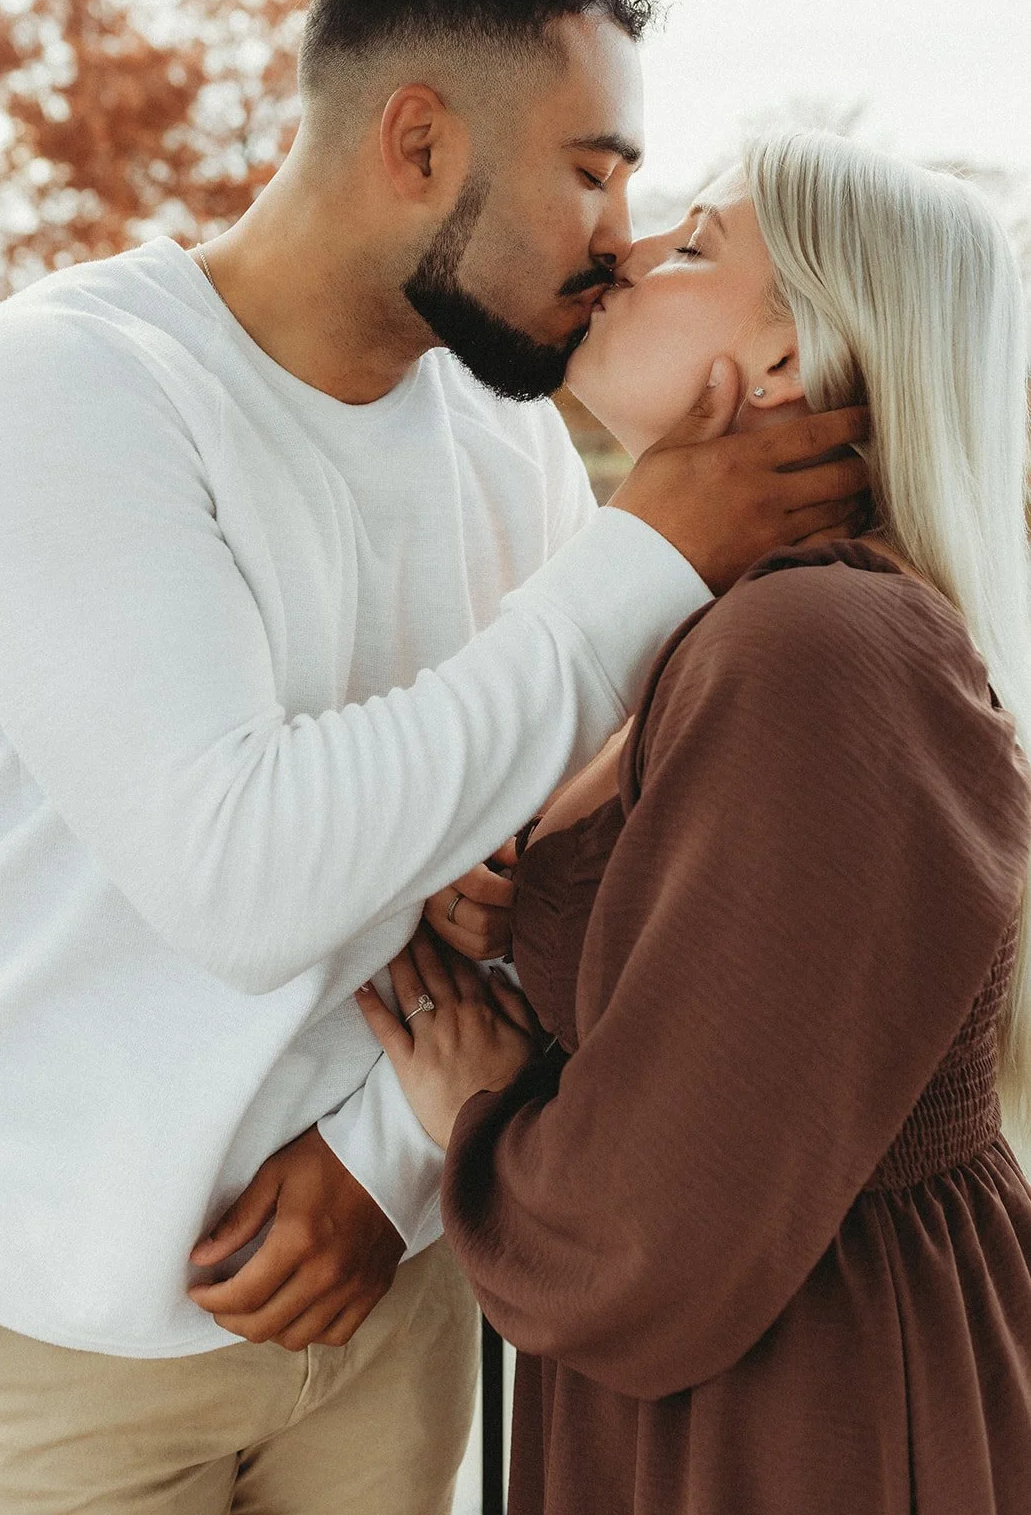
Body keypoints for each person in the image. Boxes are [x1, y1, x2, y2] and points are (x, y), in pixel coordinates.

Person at [0, 0, 868, 1510]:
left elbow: (537, 862)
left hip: (395, 1307)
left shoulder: (493, 428)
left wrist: (387, 1166)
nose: (621, 232)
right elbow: (243, 877)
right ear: (419, 140)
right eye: (592, 170)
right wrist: (647, 556)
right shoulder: (63, 395)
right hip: (64, 1344)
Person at [359, 130, 1031, 1515]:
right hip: (785, 1345)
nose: (622, 255)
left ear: (792, 363)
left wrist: (482, 1109)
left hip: (801, 1401)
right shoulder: (760, 622)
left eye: (693, 245)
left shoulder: (813, 644)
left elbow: (657, 1225)